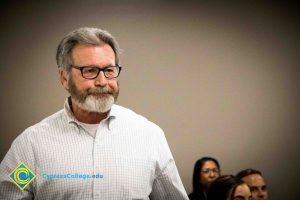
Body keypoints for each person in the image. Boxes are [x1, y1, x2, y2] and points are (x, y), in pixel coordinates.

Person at [0, 27, 189, 200]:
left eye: (109, 70)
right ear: (65, 78)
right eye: (89, 71)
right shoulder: (31, 146)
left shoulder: (149, 136)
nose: (102, 81)